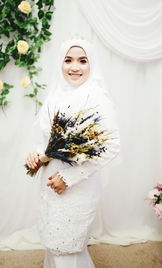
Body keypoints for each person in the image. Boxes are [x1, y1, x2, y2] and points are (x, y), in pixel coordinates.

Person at [26, 38, 120, 268]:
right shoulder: (56, 95)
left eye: (82, 60)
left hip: (78, 185)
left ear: (92, 65)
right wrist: (37, 155)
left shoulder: (97, 98)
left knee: (66, 247)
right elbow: (50, 141)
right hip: (49, 182)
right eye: (68, 60)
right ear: (61, 63)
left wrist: (68, 178)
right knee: (53, 244)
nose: (74, 67)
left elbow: (111, 145)